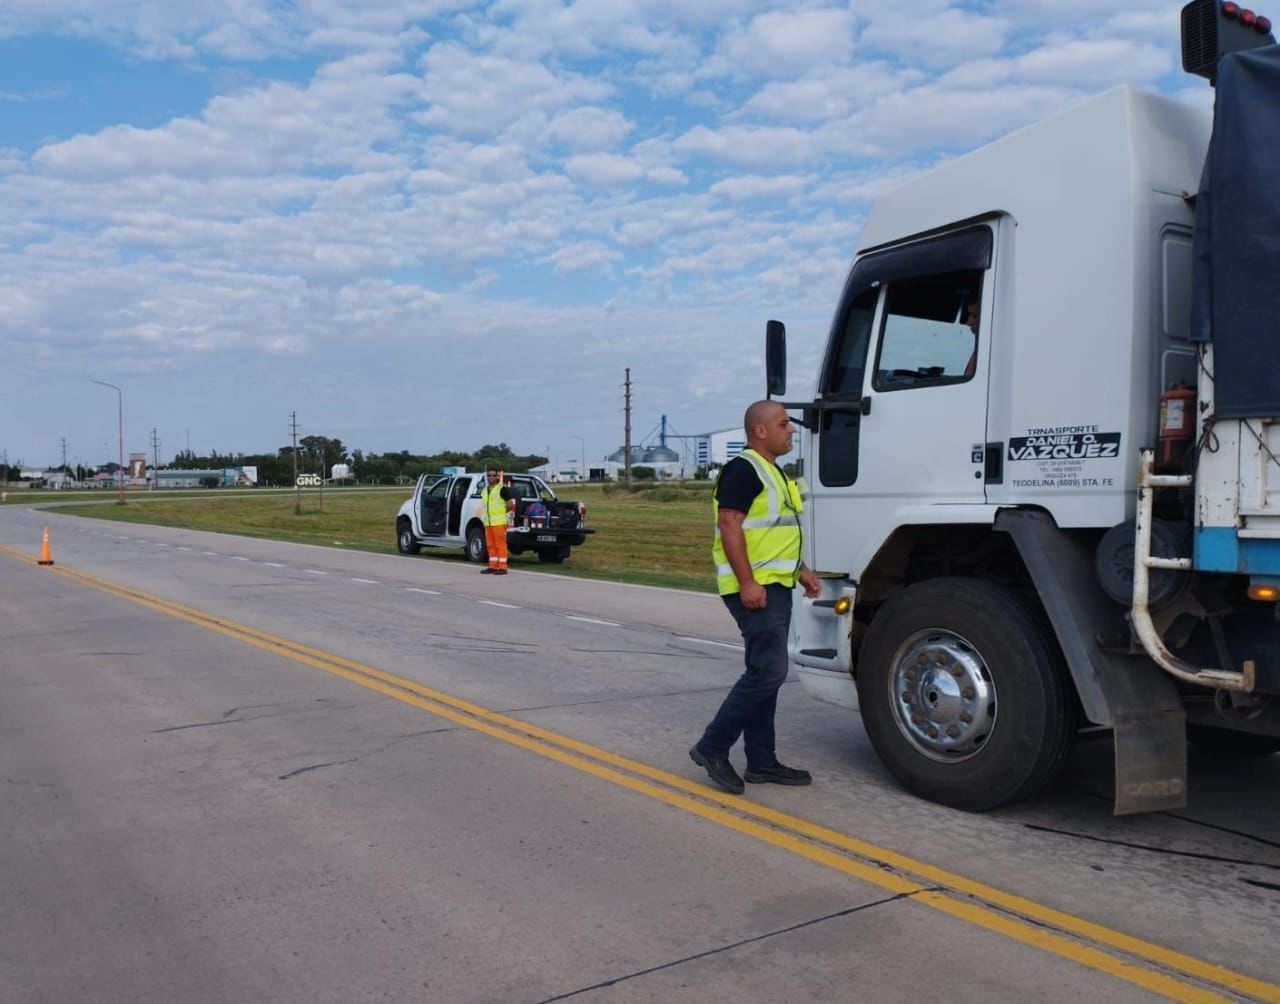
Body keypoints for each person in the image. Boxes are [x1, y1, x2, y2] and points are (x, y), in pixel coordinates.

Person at [690, 400, 822, 795]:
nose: (791, 430)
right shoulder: (743, 469)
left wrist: (802, 571)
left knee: (765, 672)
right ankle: (712, 746)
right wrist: (747, 583)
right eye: (784, 424)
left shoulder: (773, 473)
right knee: (768, 672)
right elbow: (729, 525)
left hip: (774, 585)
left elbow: (773, 533)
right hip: (755, 589)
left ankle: (762, 762)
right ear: (760, 431)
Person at [479, 467, 509, 575]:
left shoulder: (501, 489)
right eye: (489, 475)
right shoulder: (484, 491)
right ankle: (492, 566)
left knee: (500, 545)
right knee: (490, 545)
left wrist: (503, 512)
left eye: (493, 475)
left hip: (499, 522)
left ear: (497, 477)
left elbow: (510, 503)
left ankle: (502, 567)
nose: (491, 477)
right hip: (488, 523)